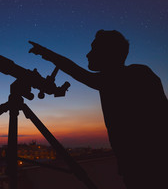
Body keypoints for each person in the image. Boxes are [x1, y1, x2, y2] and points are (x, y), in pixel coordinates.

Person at [29, 30, 168, 188]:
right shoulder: (136, 74)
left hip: (147, 167)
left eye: (94, 49)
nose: (88, 55)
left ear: (108, 53)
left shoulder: (131, 75)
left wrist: (47, 54)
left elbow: (79, 73)